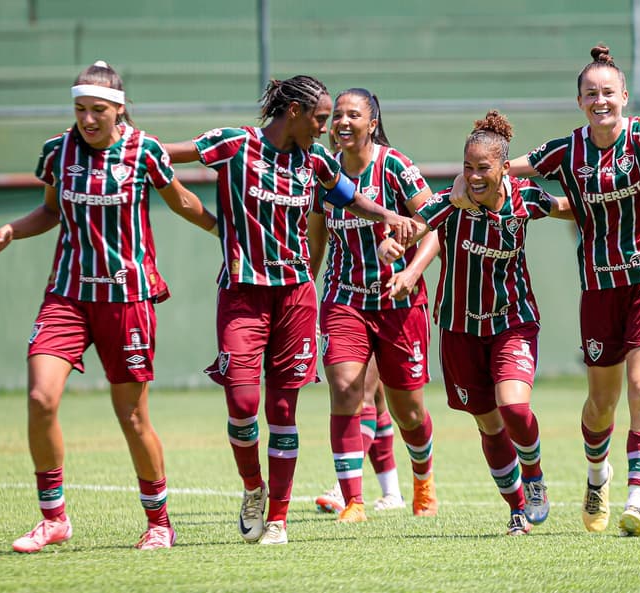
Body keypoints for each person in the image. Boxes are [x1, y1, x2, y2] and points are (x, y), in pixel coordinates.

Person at [453, 45, 640, 537]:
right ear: (580, 100)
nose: (601, 100)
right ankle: (596, 477)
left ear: (624, 96)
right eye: (592, 93)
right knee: (601, 403)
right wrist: (466, 179)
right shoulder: (567, 150)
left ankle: (637, 501)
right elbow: (502, 167)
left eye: (609, 92)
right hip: (601, 286)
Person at [164, 75, 419, 545]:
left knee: (284, 409)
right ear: (296, 113)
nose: (327, 128)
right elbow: (160, 158)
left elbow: (350, 196)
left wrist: (387, 216)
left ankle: (277, 519)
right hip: (243, 293)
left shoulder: (317, 159)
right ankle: (253, 489)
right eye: (322, 118)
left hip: (297, 296)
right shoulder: (234, 143)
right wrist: (207, 219)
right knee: (242, 405)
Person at [0, 60, 218, 553]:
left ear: (119, 109)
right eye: (80, 109)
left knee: (131, 417)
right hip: (67, 296)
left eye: (97, 110)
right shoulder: (57, 151)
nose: (88, 120)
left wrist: (225, 233)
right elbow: (50, 210)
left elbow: (180, 201)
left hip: (127, 298)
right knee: (40, 399)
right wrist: (11, 230)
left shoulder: (144, 150)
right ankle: (53, 519)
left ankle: (159, 523)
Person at [379, 110, 572, 535]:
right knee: (488, 421)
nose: (474, 175)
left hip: (512, 321)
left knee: (514, 408)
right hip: (460, 328)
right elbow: (414, 224)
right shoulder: (451, 203)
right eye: (468, 167)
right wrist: (393, 246)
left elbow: (565, 207)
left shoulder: (526, 199)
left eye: (483, 167)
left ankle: (535, 478)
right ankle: (517, 508)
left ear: (504, 167)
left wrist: (612, 208)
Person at [306, 88, 440, 523]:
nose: (342, 122)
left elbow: (432, 226)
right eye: (337, 116)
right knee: (346, 387)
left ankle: (422, 483)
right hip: (344, 299)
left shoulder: (394, 166)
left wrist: (409, 270)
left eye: (353, 115)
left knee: (407, 410)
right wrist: (306, 289)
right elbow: (317, 237)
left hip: (398, 302)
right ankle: (353, 501)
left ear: (372, 122)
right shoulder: (324, 173)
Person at [313, 355, 406, 513]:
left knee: (362, 397)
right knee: (376, 398)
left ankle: (344, 491)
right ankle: (393, 493)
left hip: (376, 330)